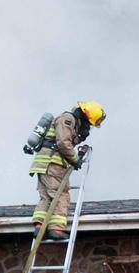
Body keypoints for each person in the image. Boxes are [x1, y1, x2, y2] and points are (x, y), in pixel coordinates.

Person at [29, 101, 106, 241]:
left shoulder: (70, 121)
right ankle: (56, 229)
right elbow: (63, 143)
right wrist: (75, 159)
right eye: (89, 123)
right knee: (61, 196)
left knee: (46, 197)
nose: (88, 127)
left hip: (44, 164)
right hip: (52, 164)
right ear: (85, 117)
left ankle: (39, 227)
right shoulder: (68, 120)